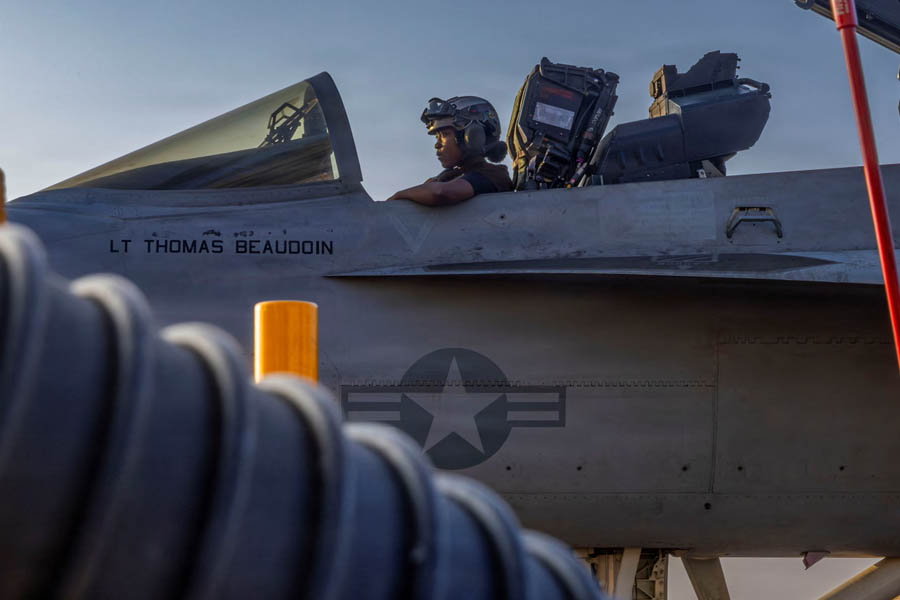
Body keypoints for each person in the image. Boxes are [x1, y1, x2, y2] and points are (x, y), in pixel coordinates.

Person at [387, 96, 512, 205]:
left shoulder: (493, 174)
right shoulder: (447, 177)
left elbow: (440, 193)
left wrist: (398, 195)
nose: (437, 145)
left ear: (473, 136)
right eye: (437, 137)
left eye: (445, 134)